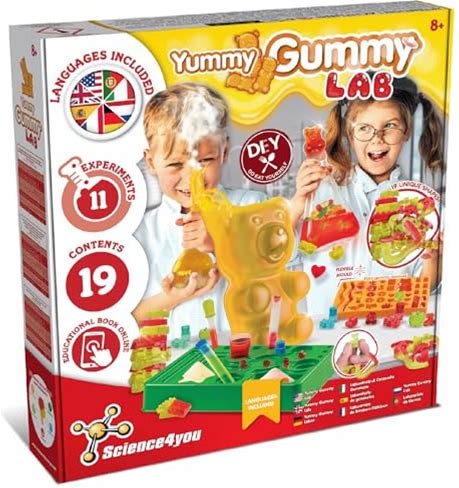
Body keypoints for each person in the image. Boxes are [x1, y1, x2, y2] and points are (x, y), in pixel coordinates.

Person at [289, 76, 443, 317]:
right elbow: (279, 259)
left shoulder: (424, 205)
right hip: (327, 333)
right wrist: (297, 205)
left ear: (406, 132)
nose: (377, 138)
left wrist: (433, 258)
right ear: (350, 135)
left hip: (390, 333)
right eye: (364, 128)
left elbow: (424, 288)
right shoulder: (322, 192)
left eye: (389, 126)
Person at [133, 83, 266, 337]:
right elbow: (128, 317)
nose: (192, 177)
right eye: (175, 164)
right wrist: (176, 295)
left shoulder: (252, 206)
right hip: (176, 356)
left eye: (205, 161)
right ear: (151, 162)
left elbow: (275, 273)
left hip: (249, 347)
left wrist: (220, 243)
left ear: (224, 151)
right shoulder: (141, 233)